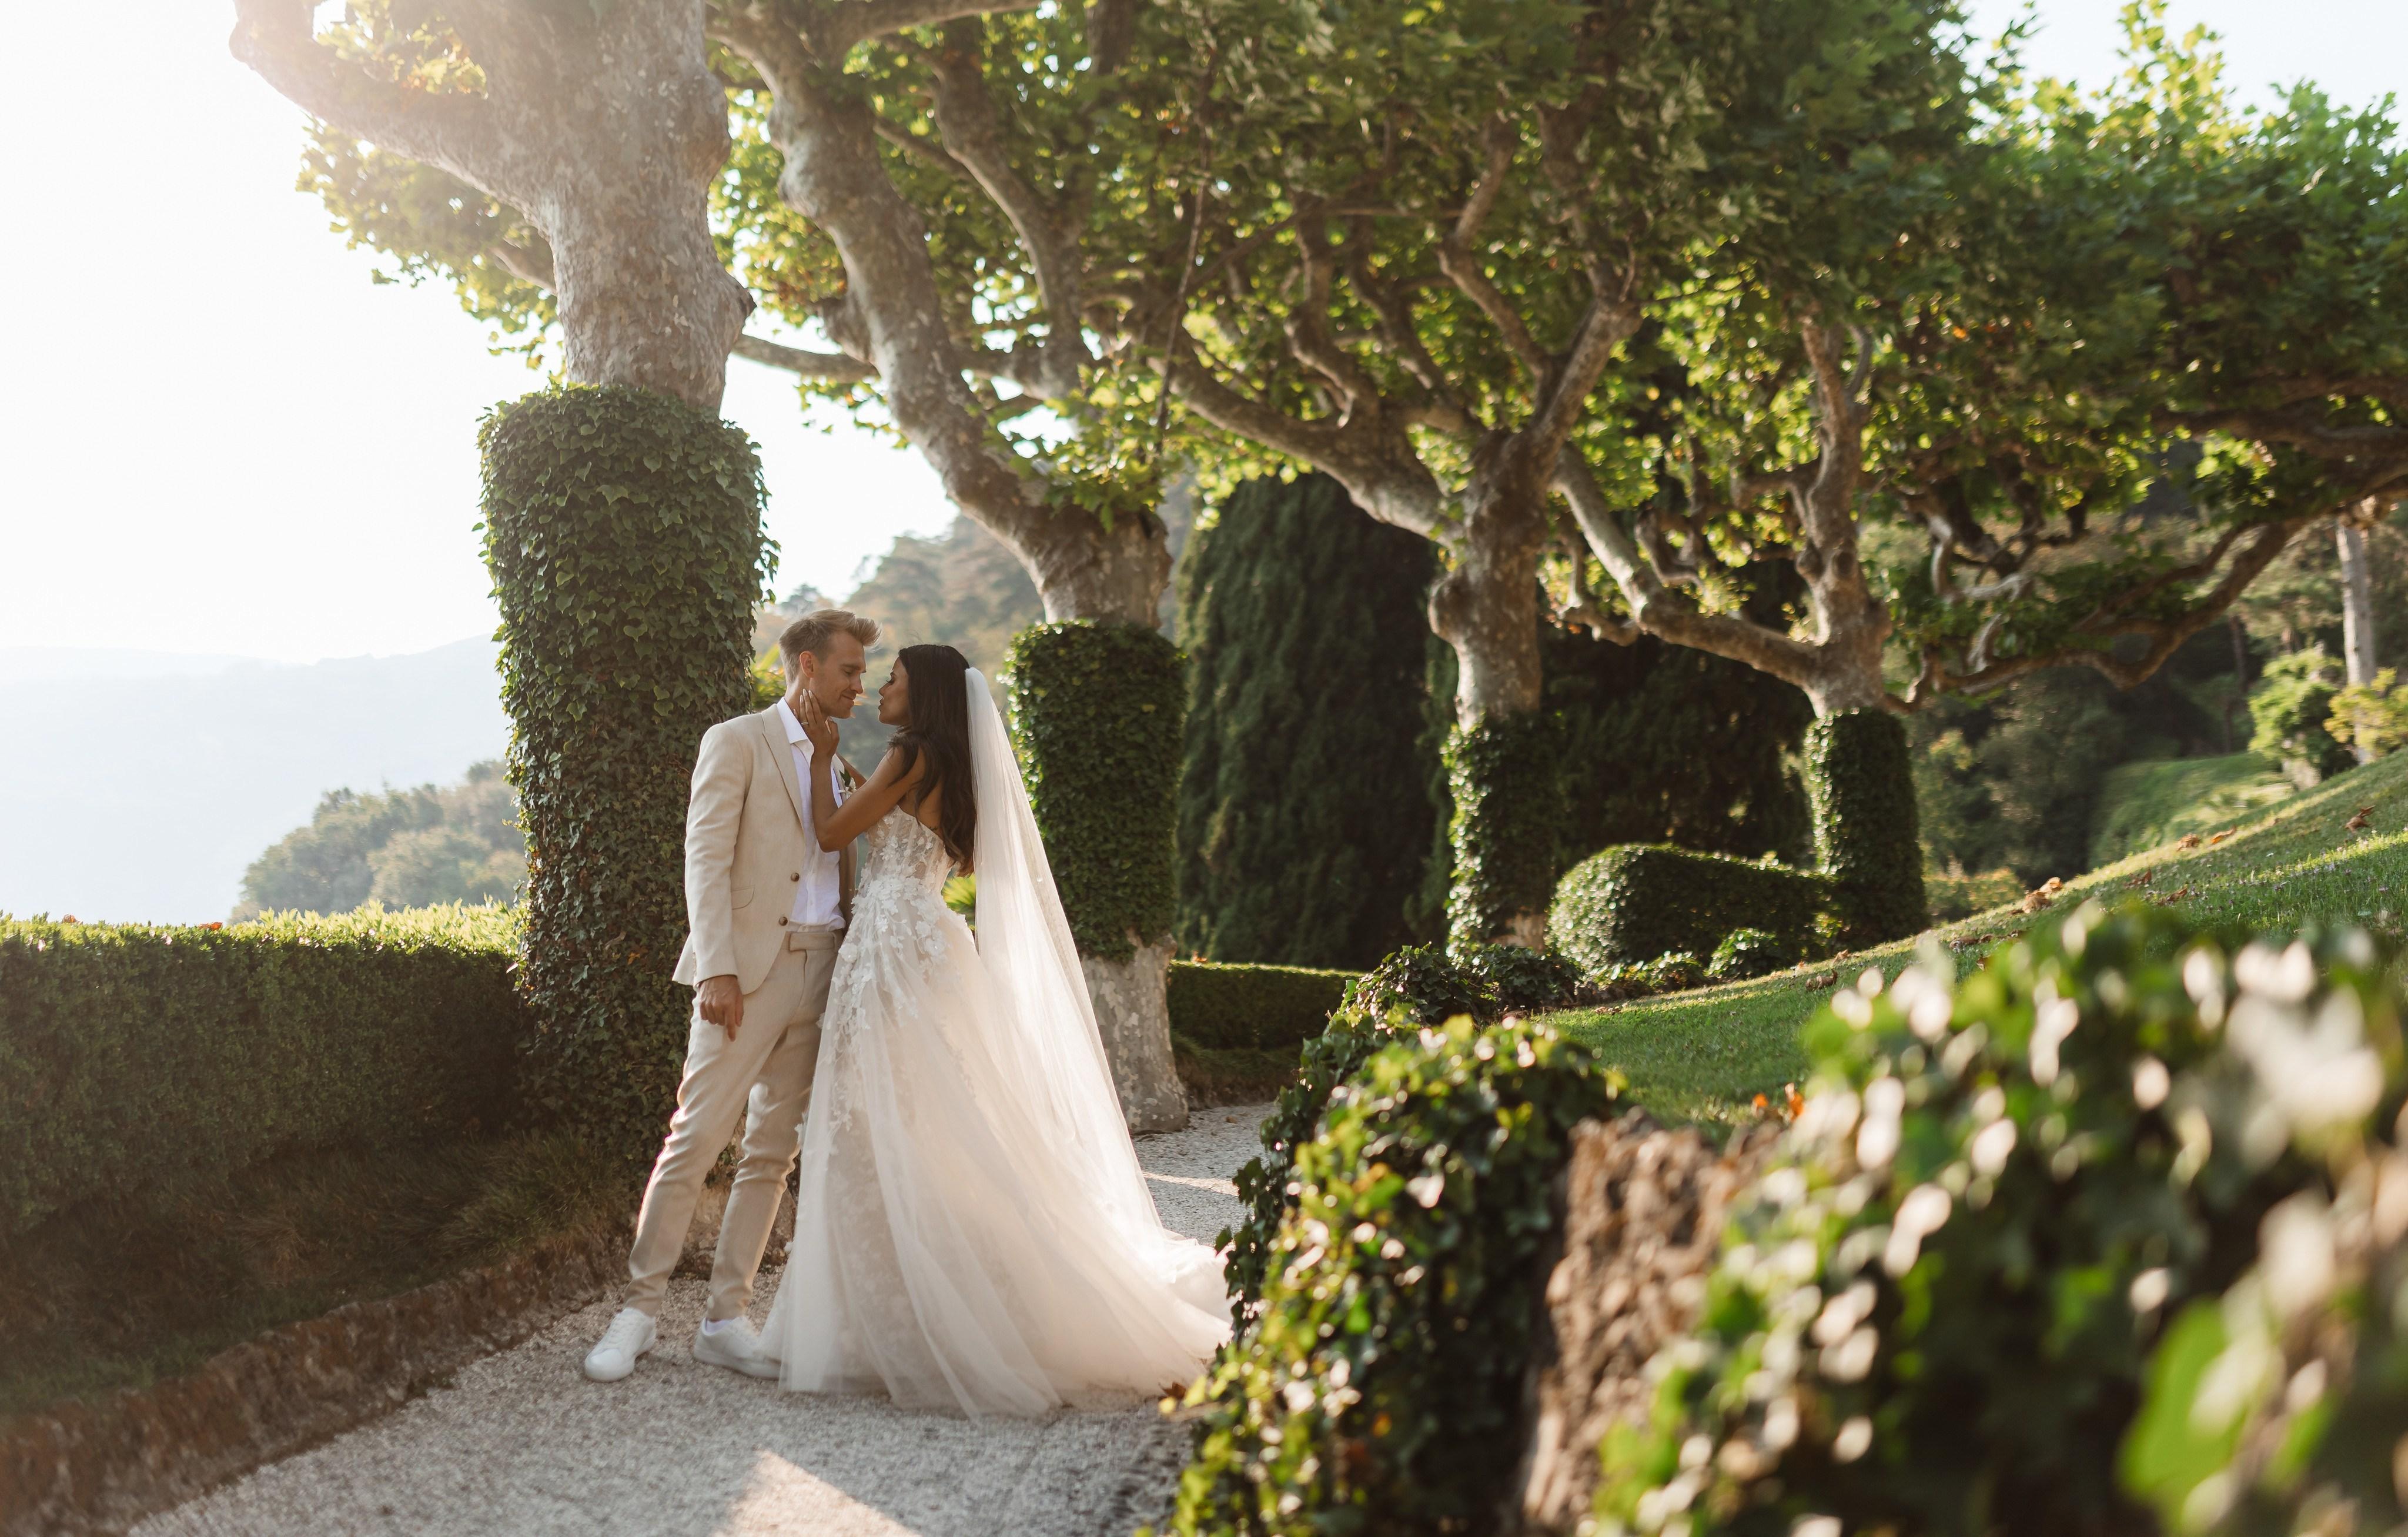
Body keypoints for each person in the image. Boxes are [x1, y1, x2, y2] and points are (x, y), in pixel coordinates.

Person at [762, 643, 1230, 1414]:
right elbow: (913, 829)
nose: (882, 688)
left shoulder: (908, 753)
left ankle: (895, 1316)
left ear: (924, 693)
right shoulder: (951, 764)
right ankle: (929, 1299)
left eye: (894, 678)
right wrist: (849, 770)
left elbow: (834, 831)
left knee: (877, 1115)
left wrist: (818, 758)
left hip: (888, 944)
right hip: (929, 936)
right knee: (927, 1117)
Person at [582, 609, 880, 1384]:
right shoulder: (737, 740)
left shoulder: (841, 764)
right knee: (696, 1137)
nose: (860, 684)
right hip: (747, 974)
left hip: (824, 968)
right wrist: (715, 968)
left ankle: (724, 1319)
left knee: (772, 1154)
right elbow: (705, 858)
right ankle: (639, 1311)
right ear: (807, 665)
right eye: (849, 669)